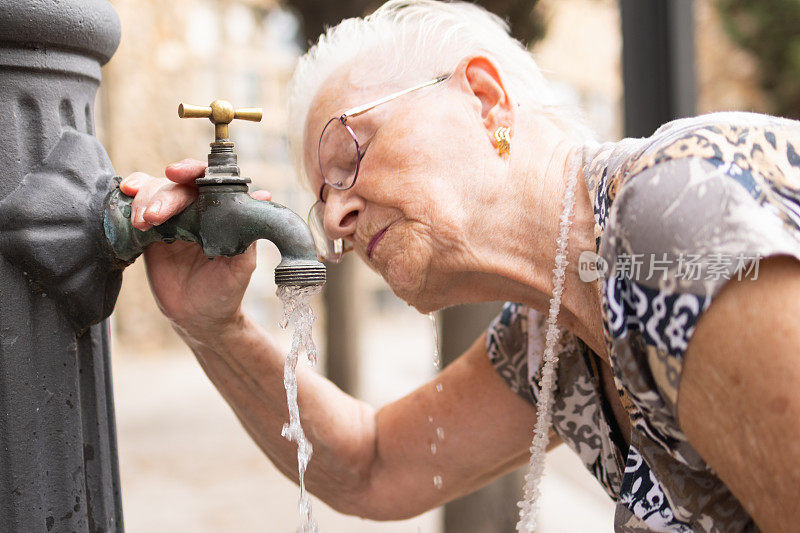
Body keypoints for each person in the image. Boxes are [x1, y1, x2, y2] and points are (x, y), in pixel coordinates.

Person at [119, 1, 800, 531]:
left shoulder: (668, 215)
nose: (332, 221)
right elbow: (372, 465)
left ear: (484, 95)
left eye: (347, 155)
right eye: (322, 199)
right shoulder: (555, 334)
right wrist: (216, 327)